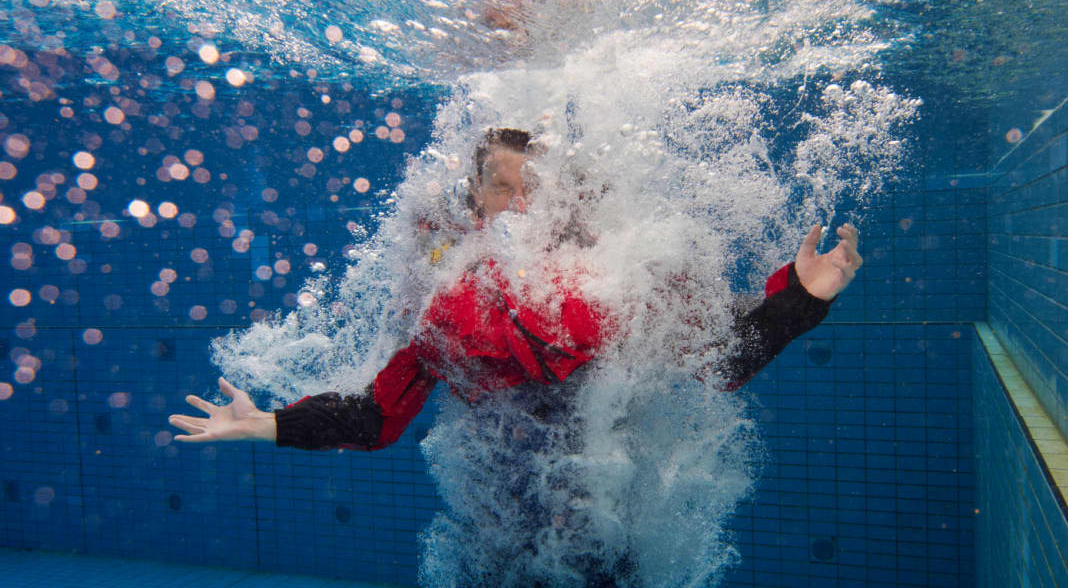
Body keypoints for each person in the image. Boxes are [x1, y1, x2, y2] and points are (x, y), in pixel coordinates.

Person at [168, 127, 862, 584]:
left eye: (537, 186)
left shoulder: (618, 282)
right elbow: (379, 417)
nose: (523, 202)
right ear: (476, 201)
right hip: (494, 547)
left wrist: (799, 300)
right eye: (504, 187)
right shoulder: (448, 306)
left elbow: (723, 362)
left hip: (601, 545)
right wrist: (268, 425)